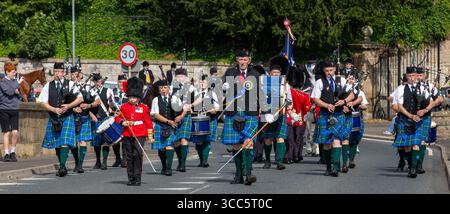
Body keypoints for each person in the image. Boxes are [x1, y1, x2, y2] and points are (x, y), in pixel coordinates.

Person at [221, 49, 268, 185]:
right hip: (233, 112)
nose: (242, 62)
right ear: (237, 60)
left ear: (249, 60)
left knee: (248, 143)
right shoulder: (230, 73)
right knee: (236, 144)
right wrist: (223, 88)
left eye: (245, 59)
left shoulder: (255, 74)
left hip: (250, 113)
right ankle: (238, 175)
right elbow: (221, 91)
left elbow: (260, 93)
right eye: (240, 59)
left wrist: (266, 111)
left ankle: (248, 173)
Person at [39, 62, 83, 177]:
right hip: (54, 117)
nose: (58, 74)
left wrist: (69, 106)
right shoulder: (49, 85)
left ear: (63, 73)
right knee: (57, 143)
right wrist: (53, 109)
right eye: (56, 71)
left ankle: (62, 167)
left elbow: (80, 98)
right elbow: (43, 102)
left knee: (64, 141)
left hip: (67, 116)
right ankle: (62, 164)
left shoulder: (71, 84)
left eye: (60, 71)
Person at [311, 61, 354, 177]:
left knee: (336, 140)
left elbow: (352, 95)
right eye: (326, 71)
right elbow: (315, 99)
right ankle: (328, 168)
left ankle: (335, 167)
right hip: (325, 114)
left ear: (335, 69)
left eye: (331, 70)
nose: (329, 73)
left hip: (338, 114)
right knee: (326, 143)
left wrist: (344, 101)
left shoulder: (342, 80)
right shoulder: (319, 82)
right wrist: (326, 105)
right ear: (324, 71)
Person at [115, 77, 154, 186]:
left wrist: (150, 136)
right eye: (130, 97)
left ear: (138, 98)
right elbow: (117, 118)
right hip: (127, 133)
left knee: (137, 154)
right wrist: (123, 122)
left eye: (134, 97)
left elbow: (148, 123)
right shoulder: (123, 107)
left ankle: (138, 178)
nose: (132, 99)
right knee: (129, 156)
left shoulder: (144, 108)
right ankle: (130, 178)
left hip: (140, 133)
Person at [391, 66, 425, 178]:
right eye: (409, 76)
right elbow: (399, 106)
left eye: (414, 75)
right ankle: (410, 166)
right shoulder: (401, 88)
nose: (412, 78)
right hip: (405, 119)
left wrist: (424, 110)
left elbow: (429, 101)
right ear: (406, 76)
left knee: (415, 144)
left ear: (416, 76)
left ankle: (413, 169)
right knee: (406, 146)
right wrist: (410, 115)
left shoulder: (423, 88)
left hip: (418, 121)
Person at [259, 65, 291, 170]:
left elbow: (289, 99)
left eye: (277, 73)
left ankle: (279, 162)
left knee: (280, 137)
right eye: (273, 72)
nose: (275, 74)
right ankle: (267, 161)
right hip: (267, 114)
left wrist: (289, 105)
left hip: (280, 114)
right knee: (268, 138)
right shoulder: (263, 83)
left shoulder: (285, 84)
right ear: (270, 73)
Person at [413, 67, 443, 174]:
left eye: (421, 75)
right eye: (417, 75)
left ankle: (418, 165)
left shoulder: (430, 87)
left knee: (422, 141)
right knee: (413, 142)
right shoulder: (408, 86)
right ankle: (412, 163)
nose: (418, 77)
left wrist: (427, 109)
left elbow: (440, 99)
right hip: (411, 117)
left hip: (425, 117)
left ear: (425, 76)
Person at [70, 67, 101, 173]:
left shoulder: (87, 86)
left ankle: (80, 165)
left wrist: (89, 105)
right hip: (71, 117)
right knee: (73, 142)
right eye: (72, 74)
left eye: (76, 74)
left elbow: (98, 101)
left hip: (84, 117)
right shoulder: (68, 86)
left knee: (82, 141)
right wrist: (73, 108)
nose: (74, 77)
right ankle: (76, 162)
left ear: (80, 75)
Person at [150, 79, 180, 176]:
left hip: (171, 127)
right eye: (161, 88)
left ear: (169, 88)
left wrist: (179, 117)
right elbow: (155, 115)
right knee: (161, 148)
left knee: (169, 145)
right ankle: (163, 167)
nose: (163, 90)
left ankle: (169, 168)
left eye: (165, 87)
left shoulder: (174, 98)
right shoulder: (156, 100)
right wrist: (168, 121)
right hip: (160, 125)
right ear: (159, 89)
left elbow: (182, 109)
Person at [171, 68, 197, 172]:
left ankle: (183, 164)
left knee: (183, 139)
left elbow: (195, 100)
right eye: (178, 76)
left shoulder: (190, 88)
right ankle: (180, 161)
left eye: (182, 76)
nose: (180, 78)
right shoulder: (171, 87)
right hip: (173, 116)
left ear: (186, 77)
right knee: (176, 142)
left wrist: (190, 106)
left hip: (186, 115)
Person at [191, 74, 220, 167]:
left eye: (204, 81)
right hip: (197, 119)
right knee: (198, 141)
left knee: (207, 140)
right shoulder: (194, 94)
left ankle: (205, 161)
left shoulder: (212, 93)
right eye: (201, 81)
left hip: (209, 119)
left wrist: (211, 110)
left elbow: (217, 108)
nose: (202, 83)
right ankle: (201, 160)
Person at [285, 65, 311, 164]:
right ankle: (297, 155)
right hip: (299, 118)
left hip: (288, 117)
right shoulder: (303, 95)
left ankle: (289, 156)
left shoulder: (287, 91)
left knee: (289, 138)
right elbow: (306, 108)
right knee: (298, 138)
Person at [90, 73, 115, 170]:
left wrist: (111, 103)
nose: (97, 83)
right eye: (95, 81)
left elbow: (111, 105)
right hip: (96, 118)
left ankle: (104, 162)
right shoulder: (91, 91)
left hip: (105, 118)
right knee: (97, 142)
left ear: (101, 81)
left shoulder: (108, 91)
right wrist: (91, 115)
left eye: (99, 81)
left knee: (105, 141)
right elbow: (87, 105)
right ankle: (98, 161)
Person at [0, 63, 24, 162]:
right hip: (4, 109)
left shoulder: (14, 82)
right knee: (7, 132)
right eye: (13, 72)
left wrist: (17, 92)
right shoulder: (2, 82)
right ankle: (6, 153)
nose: (14, 74)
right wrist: (17, 84)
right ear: (7, 72)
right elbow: (9, 92)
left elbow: (20, 94)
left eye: (15, 71)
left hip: (14, 109)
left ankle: (13, 152)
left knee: (15, 132)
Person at [112, 74, 128, 167]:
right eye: (119, 82)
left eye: (123, 82)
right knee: (115, 139)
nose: (121, 84)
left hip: (125, 118)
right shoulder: (113, 91)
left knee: (125, 139)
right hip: (116, 117)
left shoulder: (129, 92)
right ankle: (118, 158)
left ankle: (125, 159)